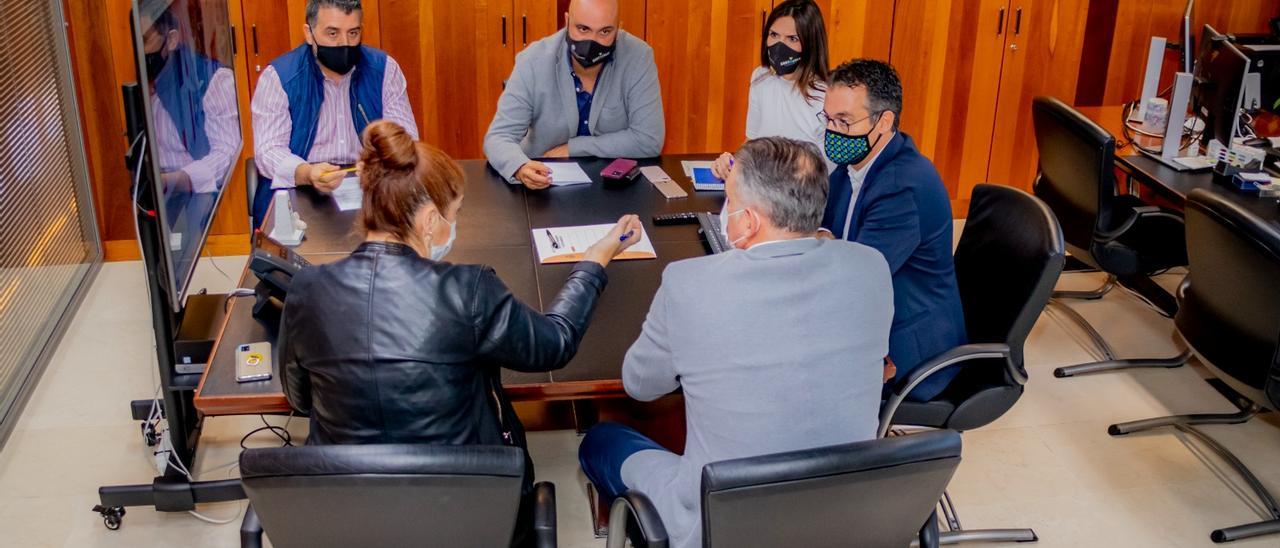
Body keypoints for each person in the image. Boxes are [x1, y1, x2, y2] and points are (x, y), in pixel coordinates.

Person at [279, 120, 642, 546]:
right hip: (469, 508)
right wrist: (596, 259)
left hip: (349, 512)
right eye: (455, 214)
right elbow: (555, 342)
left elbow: (301, 399)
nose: (455, 226)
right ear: (430, 219)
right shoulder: (468, 289)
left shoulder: (306, 289)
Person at [578, 137, 894, 548]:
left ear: (748, 222)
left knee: (601, 441)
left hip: (721, 522)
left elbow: (640, 385)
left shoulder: (689, 283)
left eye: (729, 202)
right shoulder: (871, 266)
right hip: (844, 514)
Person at [818, 59, 966, 402]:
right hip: (874, 316)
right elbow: (821, 218)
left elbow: (854, 279)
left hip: (909, 350)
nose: (833, 130)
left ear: (883, 122)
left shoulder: (902, 188)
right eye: (827, 118)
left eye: (844, 121)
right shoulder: (856, 164)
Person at [250, 0, 417, 227]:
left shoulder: (384, 69)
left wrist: (379, 163)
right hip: (302, 188)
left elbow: (406, 139)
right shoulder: (279, 77)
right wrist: (307, 172)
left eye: (353, 33)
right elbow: (268, 151)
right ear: (309, 33)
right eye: (332, 33)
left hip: (371, 186)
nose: (344, 44)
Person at [483, 0, 664, 190]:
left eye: (605, 32)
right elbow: (498, 137)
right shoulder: (532, 60)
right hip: (542, 185)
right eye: (583, 29)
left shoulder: (638, 57)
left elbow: (649, 139)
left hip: (613, 187)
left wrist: (574, 147)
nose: (592, 41)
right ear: (567, 21)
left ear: (618, 29)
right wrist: (520, 167)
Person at [141, 3, 241, 277]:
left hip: (197, 195)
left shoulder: (212, 79)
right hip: (152, 195)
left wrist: (180, 179)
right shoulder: (132, 87)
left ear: (171, 40)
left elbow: (226, 154)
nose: (139, 52)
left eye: (145, 41)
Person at [711, 0, 831, 180]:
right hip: (762, 188)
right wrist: (731, 163)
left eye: (792, 39)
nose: (779, 45)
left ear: (810, 44)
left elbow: (825, 168)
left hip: (801, 194)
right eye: (774, 35)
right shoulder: (761, 78)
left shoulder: (826, 95)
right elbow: (753, 141)